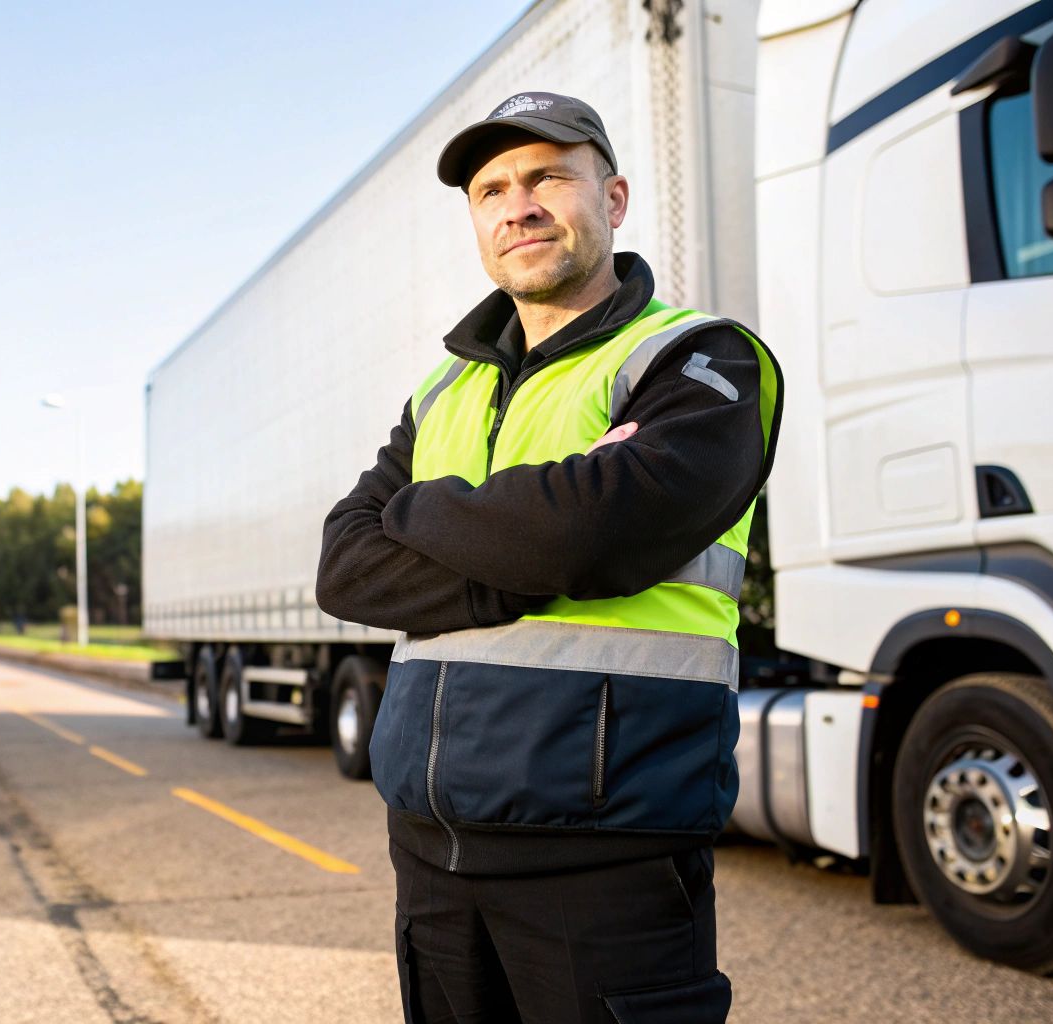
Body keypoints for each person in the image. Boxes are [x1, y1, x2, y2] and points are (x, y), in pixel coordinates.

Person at [315, 92, 783, 1022]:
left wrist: (414, 514)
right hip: (432, 854)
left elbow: (591, 532)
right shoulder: (445, 387)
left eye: (546, 178)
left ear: (611, 200)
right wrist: (532, 549)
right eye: (491, 190)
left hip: (606, 853)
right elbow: (345, 568)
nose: (516, 206)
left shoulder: (700, 360)